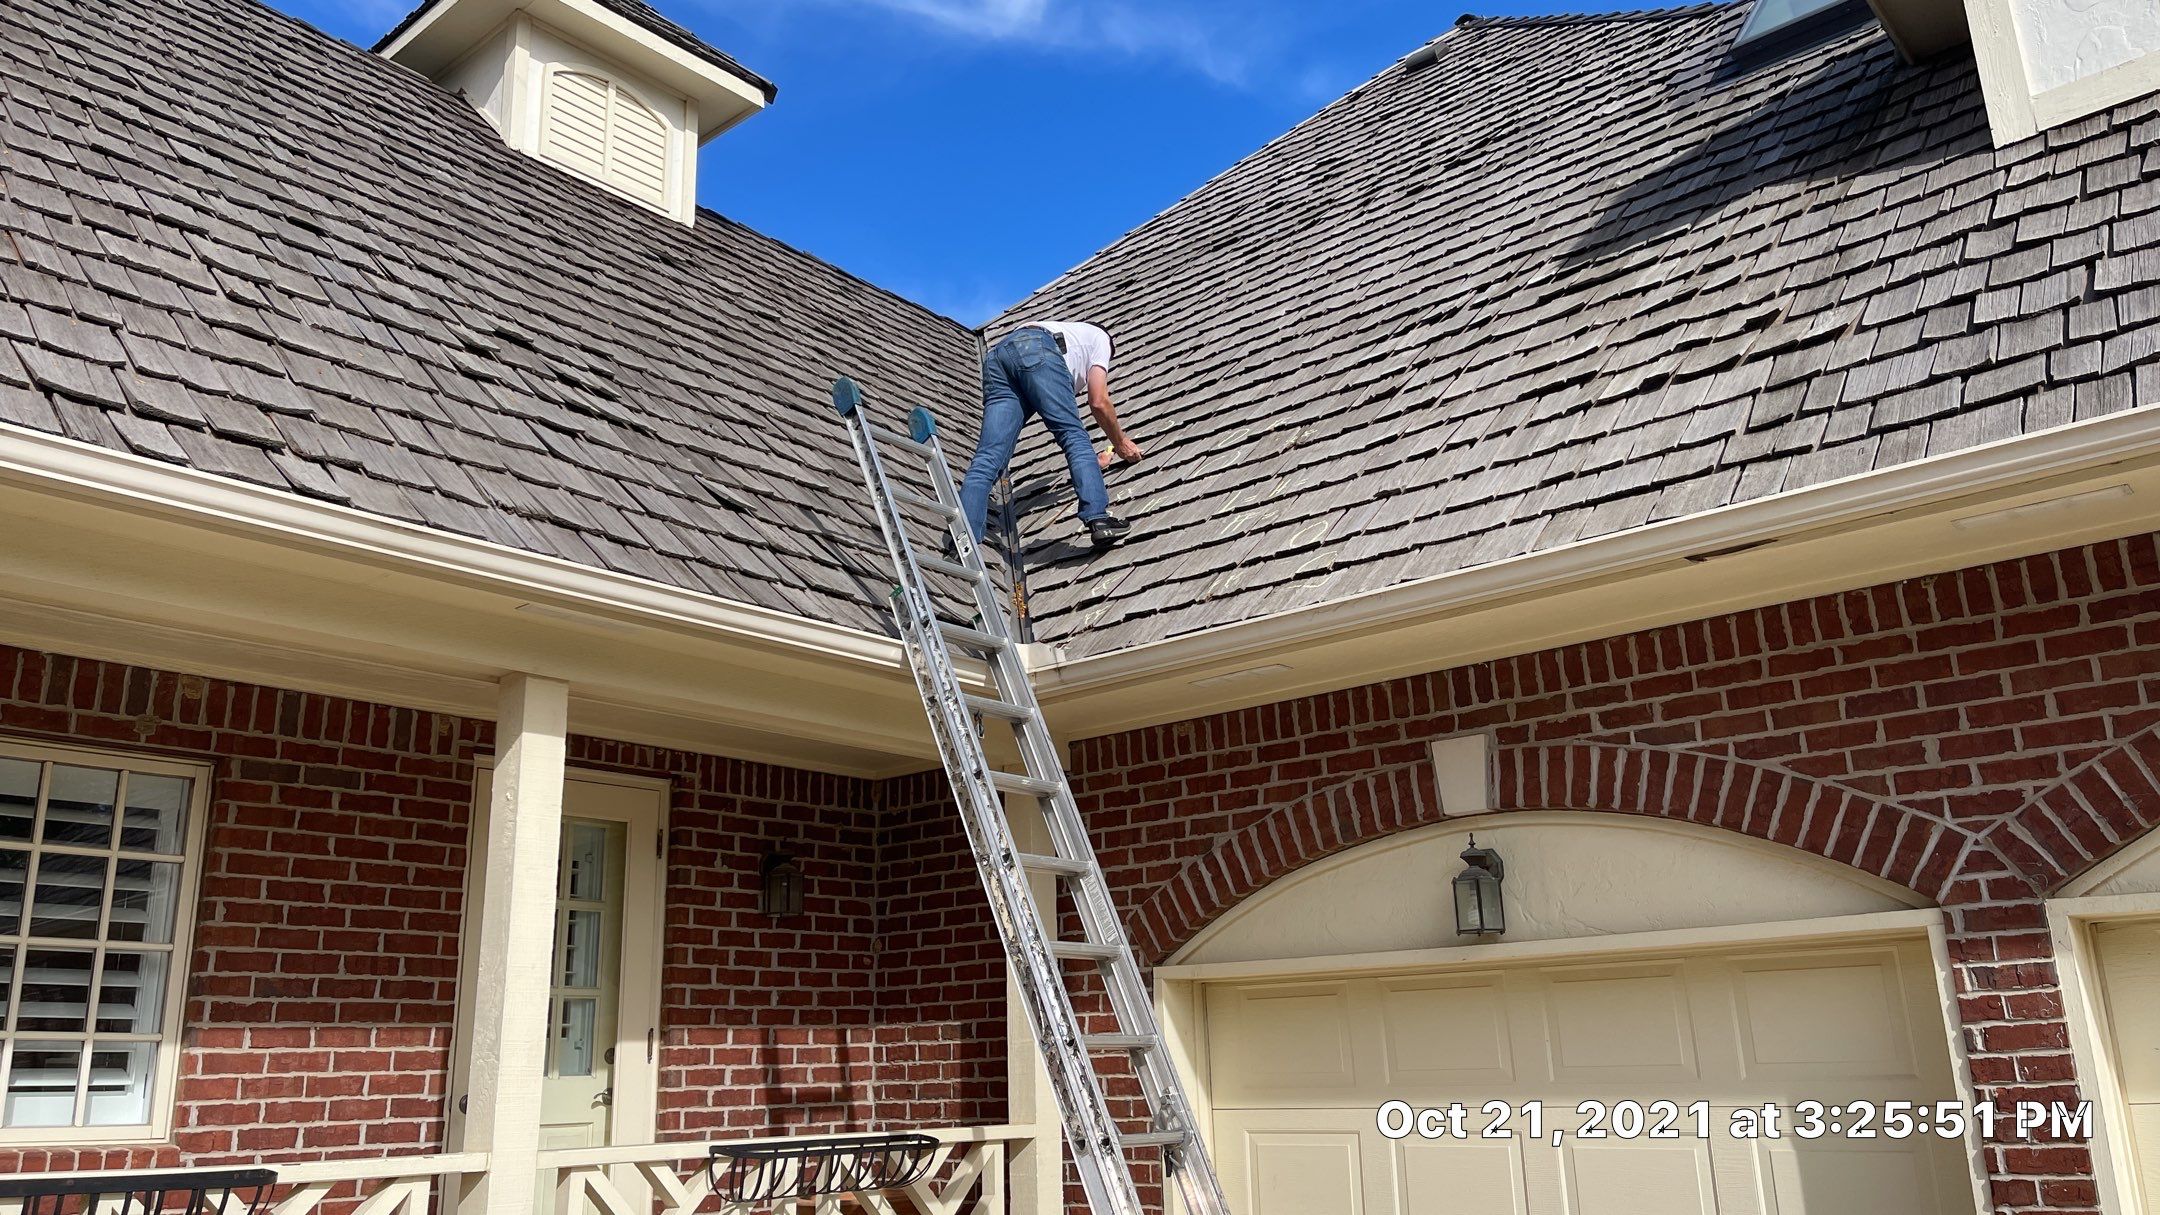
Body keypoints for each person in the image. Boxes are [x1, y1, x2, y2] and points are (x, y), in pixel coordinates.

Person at [960, 320, 1144, 549]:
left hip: (998, 358)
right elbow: (1098, 401)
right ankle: (1099, 517)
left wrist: (1093, 465)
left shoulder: (1072, 334)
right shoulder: (1101, 338)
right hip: (1034, 347)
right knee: (1073, 435)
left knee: (988, 457)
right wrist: (1121, 442)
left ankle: (963, 541)